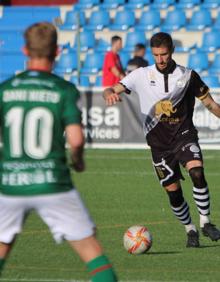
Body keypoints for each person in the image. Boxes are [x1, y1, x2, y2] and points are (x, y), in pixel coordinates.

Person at [0, 22, 117, 282]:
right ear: (57, 51)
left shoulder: (5, 90)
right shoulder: (63, 90)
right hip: (53, 183)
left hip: (11, 184)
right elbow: (75, 140)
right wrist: (79, 161)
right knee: (93, 254)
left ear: (24, 50)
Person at [103, 32, 220, 248]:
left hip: (184, 135)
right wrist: (109, 93)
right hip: (158, 145)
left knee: (197, 171)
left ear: (172, 51)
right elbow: (112, 88)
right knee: (173, 193)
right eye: (156, 55)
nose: (160, 60)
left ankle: (205, 222)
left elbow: (211, 105)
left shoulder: (187, 76)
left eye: (164, 54)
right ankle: (190, 229)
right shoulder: (140, 75)